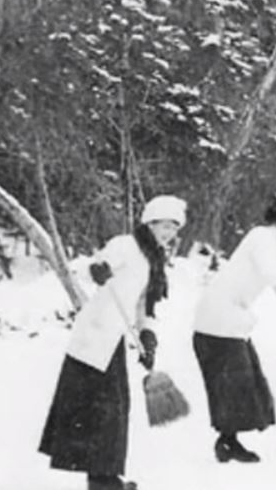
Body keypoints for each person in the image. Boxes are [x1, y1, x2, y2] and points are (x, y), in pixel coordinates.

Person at [39, 195, 187, 490]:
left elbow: (146, 305)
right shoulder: (126, 245)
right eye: (164, 225)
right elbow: (87, 266)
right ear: (150, 222)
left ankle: (104, 478)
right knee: (101, 409)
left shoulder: (154, 260)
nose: (168, 232)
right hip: (94, 337)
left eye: (173, 227)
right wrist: (98, 269)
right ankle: (102, 479)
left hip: (114, 339)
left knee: (114, 410)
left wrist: (148, 336)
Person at [192, 196, 276, 463]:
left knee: (246, 383)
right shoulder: (261, 237)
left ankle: (228, 442)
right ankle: (226, 442)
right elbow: (273, 274)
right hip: (217, 320)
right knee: (235, 383)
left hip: (229, 323)